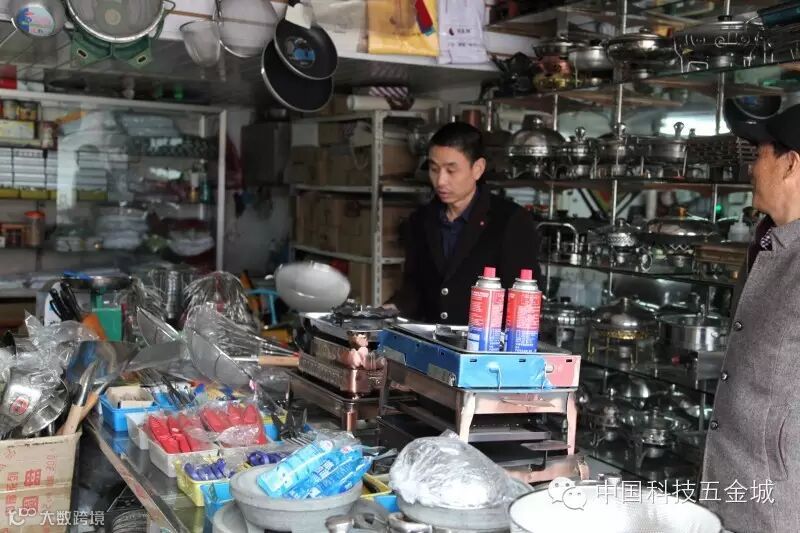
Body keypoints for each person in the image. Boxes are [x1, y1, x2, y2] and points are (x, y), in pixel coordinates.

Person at [702, 102, 800, 533]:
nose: (751, 169)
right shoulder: (770, 243)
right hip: (737, 488)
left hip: (780, 502)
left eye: (759, 155)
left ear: (790, 164)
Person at [387, 122, 541, 324]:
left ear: (478, 169)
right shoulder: (420, 220)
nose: (440, 181)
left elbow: (523, 300)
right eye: (434, 169)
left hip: (487, 341)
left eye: (451, 171)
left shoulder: (510, 221)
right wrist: (389, 310)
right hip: (432, 339)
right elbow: (413, 288)